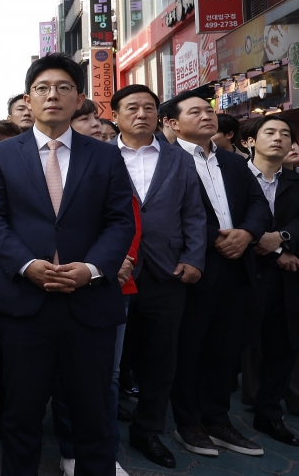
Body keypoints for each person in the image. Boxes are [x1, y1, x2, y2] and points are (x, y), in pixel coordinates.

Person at [0, 53, 136, 475]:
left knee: (94, 417)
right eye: (43, 88)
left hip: (89, 305)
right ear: (28, 98)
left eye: (64, 88)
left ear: (79, 99)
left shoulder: (104, 156)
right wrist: (26, 263)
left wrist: (93, 269)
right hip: (24, 305)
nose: (53, 95)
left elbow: (120, 220)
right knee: (21, 415)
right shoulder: (2, 154)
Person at [167, 91, 271, 458]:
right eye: (194, 111)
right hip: (194, 267)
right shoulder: (166, 159)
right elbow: (167, 213)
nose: (206, 115)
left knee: (226, 349)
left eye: (208, 110)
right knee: (189, 348)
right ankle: (188, 422)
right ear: (173, 123)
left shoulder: (232, 161)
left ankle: (217, 419)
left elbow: (258, 204)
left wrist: (246, 233)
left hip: (237, 265)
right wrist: (215, 238)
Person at [110, 85, 206, 469]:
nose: (142, 114)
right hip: (115, 273)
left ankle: (148, 430)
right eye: (132, 107)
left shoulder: (179, 158)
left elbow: (194, 213)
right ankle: (101, 431)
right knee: (110, 359)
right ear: (115, 115)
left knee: (161, 358)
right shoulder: (98, 156)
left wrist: (194, 258)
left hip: (167, 272)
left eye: (149, 108)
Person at [241, 116, 299, 446]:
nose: (279, 138)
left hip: (284, 282)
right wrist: (278, 251)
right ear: (250, 141)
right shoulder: (232, 176)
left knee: (282, 347)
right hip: (240, 274)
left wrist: (284, 238)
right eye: (271, 132)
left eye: (285, 134)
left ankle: (269, 413)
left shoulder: (295, 181)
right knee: (228, 347)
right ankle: (209, 418)